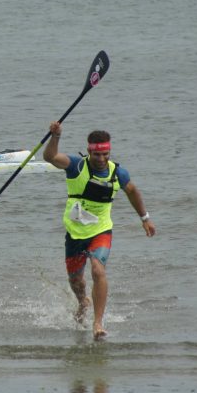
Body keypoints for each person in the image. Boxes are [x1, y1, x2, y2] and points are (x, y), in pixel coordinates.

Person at [43, 121, 156, 339]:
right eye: (97, 155)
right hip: (75, 232)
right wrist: (55, 136)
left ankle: (98, 323)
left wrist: (145, 218)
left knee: (98, 270)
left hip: (101, 231)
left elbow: (132, 191)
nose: (102, 159)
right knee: (76, 281)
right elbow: (50, 158)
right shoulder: (76, 165)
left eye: (105, 154)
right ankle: (83, 301)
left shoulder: (118, 173)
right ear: (89, 152)